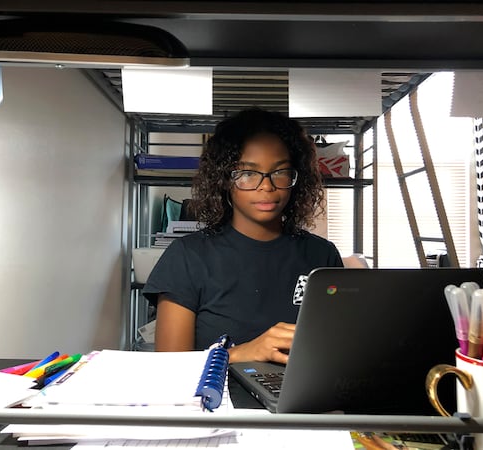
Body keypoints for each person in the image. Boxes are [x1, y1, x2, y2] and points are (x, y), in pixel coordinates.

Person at [142, 108, 344, 364]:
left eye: (280, 171)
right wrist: (242, 353)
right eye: (247, 173)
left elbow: (334, 353)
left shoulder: (322, 255)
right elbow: (169, 370)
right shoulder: (186, 257)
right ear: (225, 179)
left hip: (301, 402)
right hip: (216, 401)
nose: (267, 186)